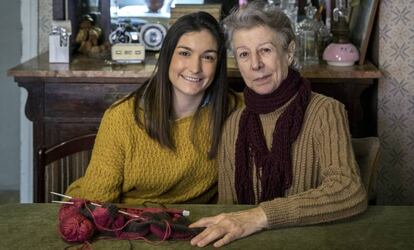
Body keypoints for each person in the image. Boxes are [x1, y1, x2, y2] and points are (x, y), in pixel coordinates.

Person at [189, 1, 367, 247]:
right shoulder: (233, 125)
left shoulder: (326, 111)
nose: (255, 64)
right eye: (244, 54)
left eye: (265, 50)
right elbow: (230, 210)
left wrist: (260, 216)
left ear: (289, 52)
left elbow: (348, 190)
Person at [65, 11, 239, 204]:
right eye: (184, 53)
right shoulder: (122, 118)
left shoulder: (231, 110)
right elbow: (96, 204)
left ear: (218, 64)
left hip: (190, 226)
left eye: (208, 57)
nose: (195, 67)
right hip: (122, 221)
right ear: (167, 56)